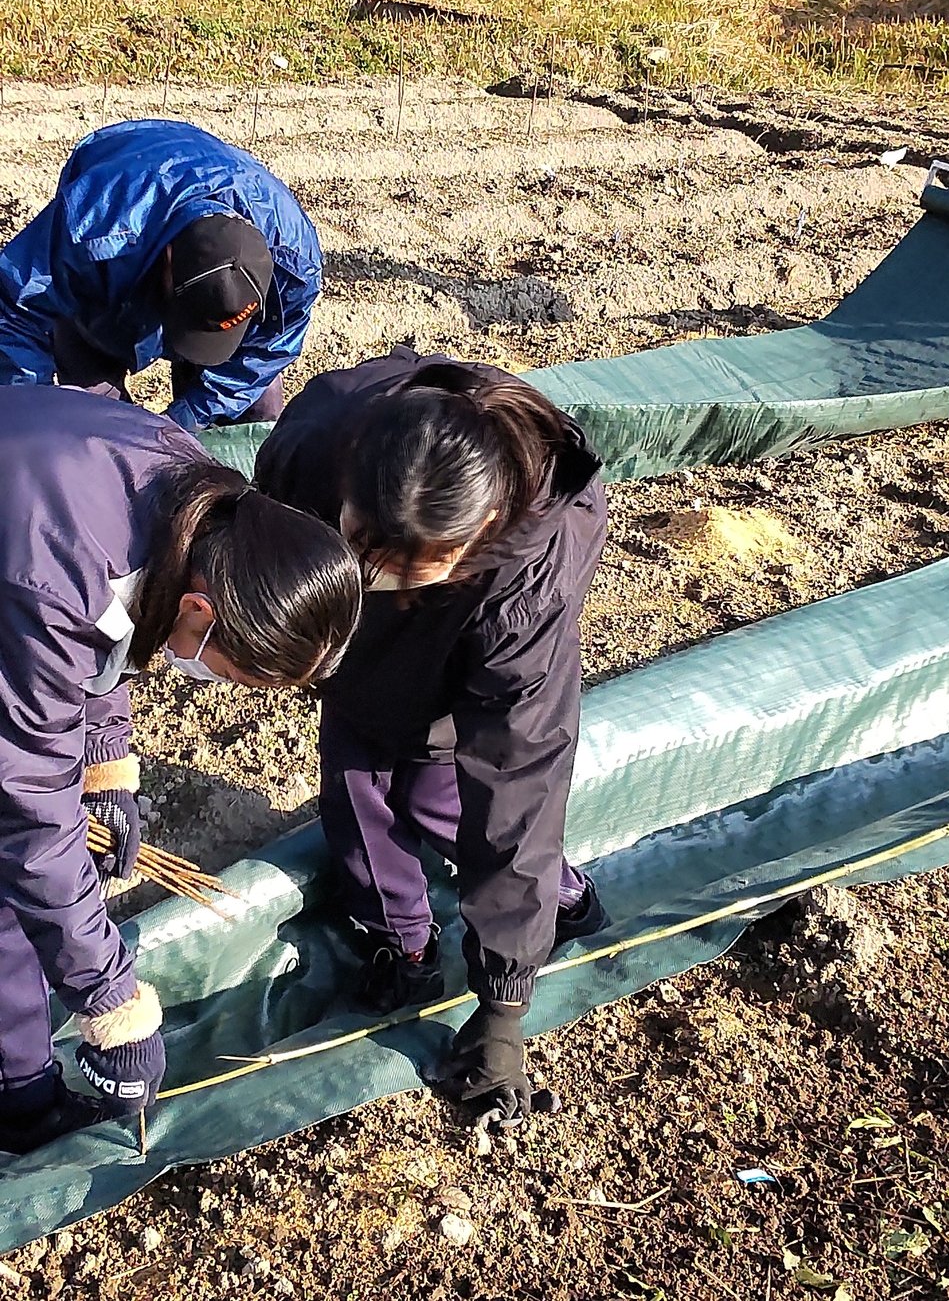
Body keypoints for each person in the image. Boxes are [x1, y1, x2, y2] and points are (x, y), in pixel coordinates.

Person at [0, 387, 362, 1156]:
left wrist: (104, 768)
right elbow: (26, 809)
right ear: (202, 612)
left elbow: (117, 626)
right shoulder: (48, 577)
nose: (219, 684)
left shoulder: (194, 499)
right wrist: (110, 1001)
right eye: (235, 673)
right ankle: (17, 1098)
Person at [254, 350, 609, 1125]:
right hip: (355, 657)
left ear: (475, 533)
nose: (369, 570)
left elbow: (517, 776)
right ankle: (400, 944)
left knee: (448, 794)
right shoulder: (317, 439)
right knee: (356, 787)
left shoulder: (528, 580)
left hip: (462, 647)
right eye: (356, 541)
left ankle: (558, 903)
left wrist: (503, 1011)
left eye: (402, 568)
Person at [0, 119, 322, 430]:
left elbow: (268, 350)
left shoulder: (294, 262)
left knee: (257, 409)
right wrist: (34, 409)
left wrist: (185, 419)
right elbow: (16, 303)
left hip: (196, 199)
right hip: (114, 273)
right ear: (169, 259)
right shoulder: (96, 228)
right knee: (97, 418)